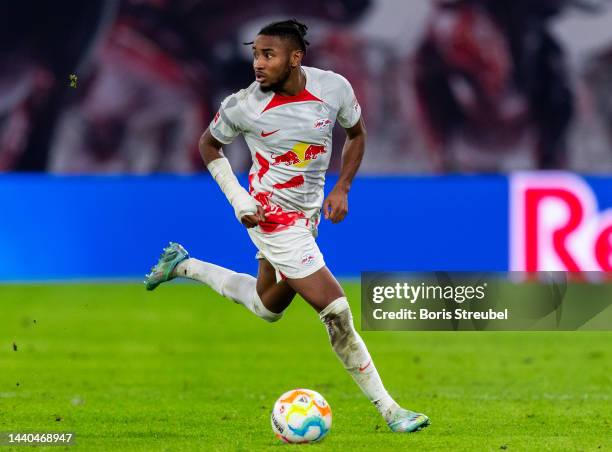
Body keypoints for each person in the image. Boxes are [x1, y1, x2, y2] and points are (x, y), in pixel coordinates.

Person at [144, 19, 430, 433]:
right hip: (271, 217)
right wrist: (240, 200)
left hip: (307, 216)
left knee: (267, 306)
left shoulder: (334, 88)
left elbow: (357, 133)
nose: (258, 63)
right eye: (255, 54)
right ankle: (391, 411)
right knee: (336, 310)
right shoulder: (244, 105)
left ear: (296, 57)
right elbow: (208, 144)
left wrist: (343, 187)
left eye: (268, 54)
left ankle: (183, 265)